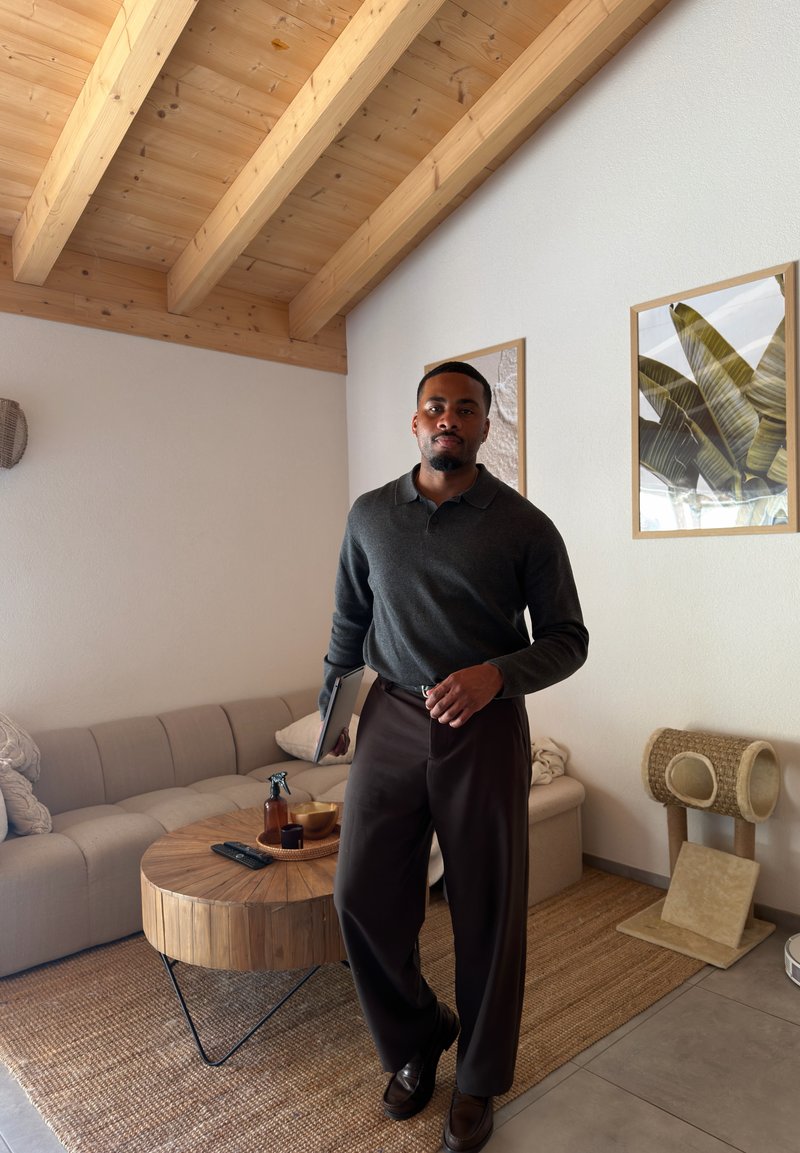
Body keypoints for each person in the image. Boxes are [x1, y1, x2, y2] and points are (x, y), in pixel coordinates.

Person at [319, 361, 588, 1152]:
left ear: (483, 427)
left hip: (486, 727)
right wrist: (335, 704)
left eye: (465, 409)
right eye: (435, 406)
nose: (449, 418)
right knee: (359, 894)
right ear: (415, 423)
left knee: (487, 910)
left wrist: (495, 674)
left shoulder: (526, 526)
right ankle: (419, 1032)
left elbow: (570, 640)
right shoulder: (370, 516)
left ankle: (477, 1081)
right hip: (391, 717)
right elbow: (348, 620)